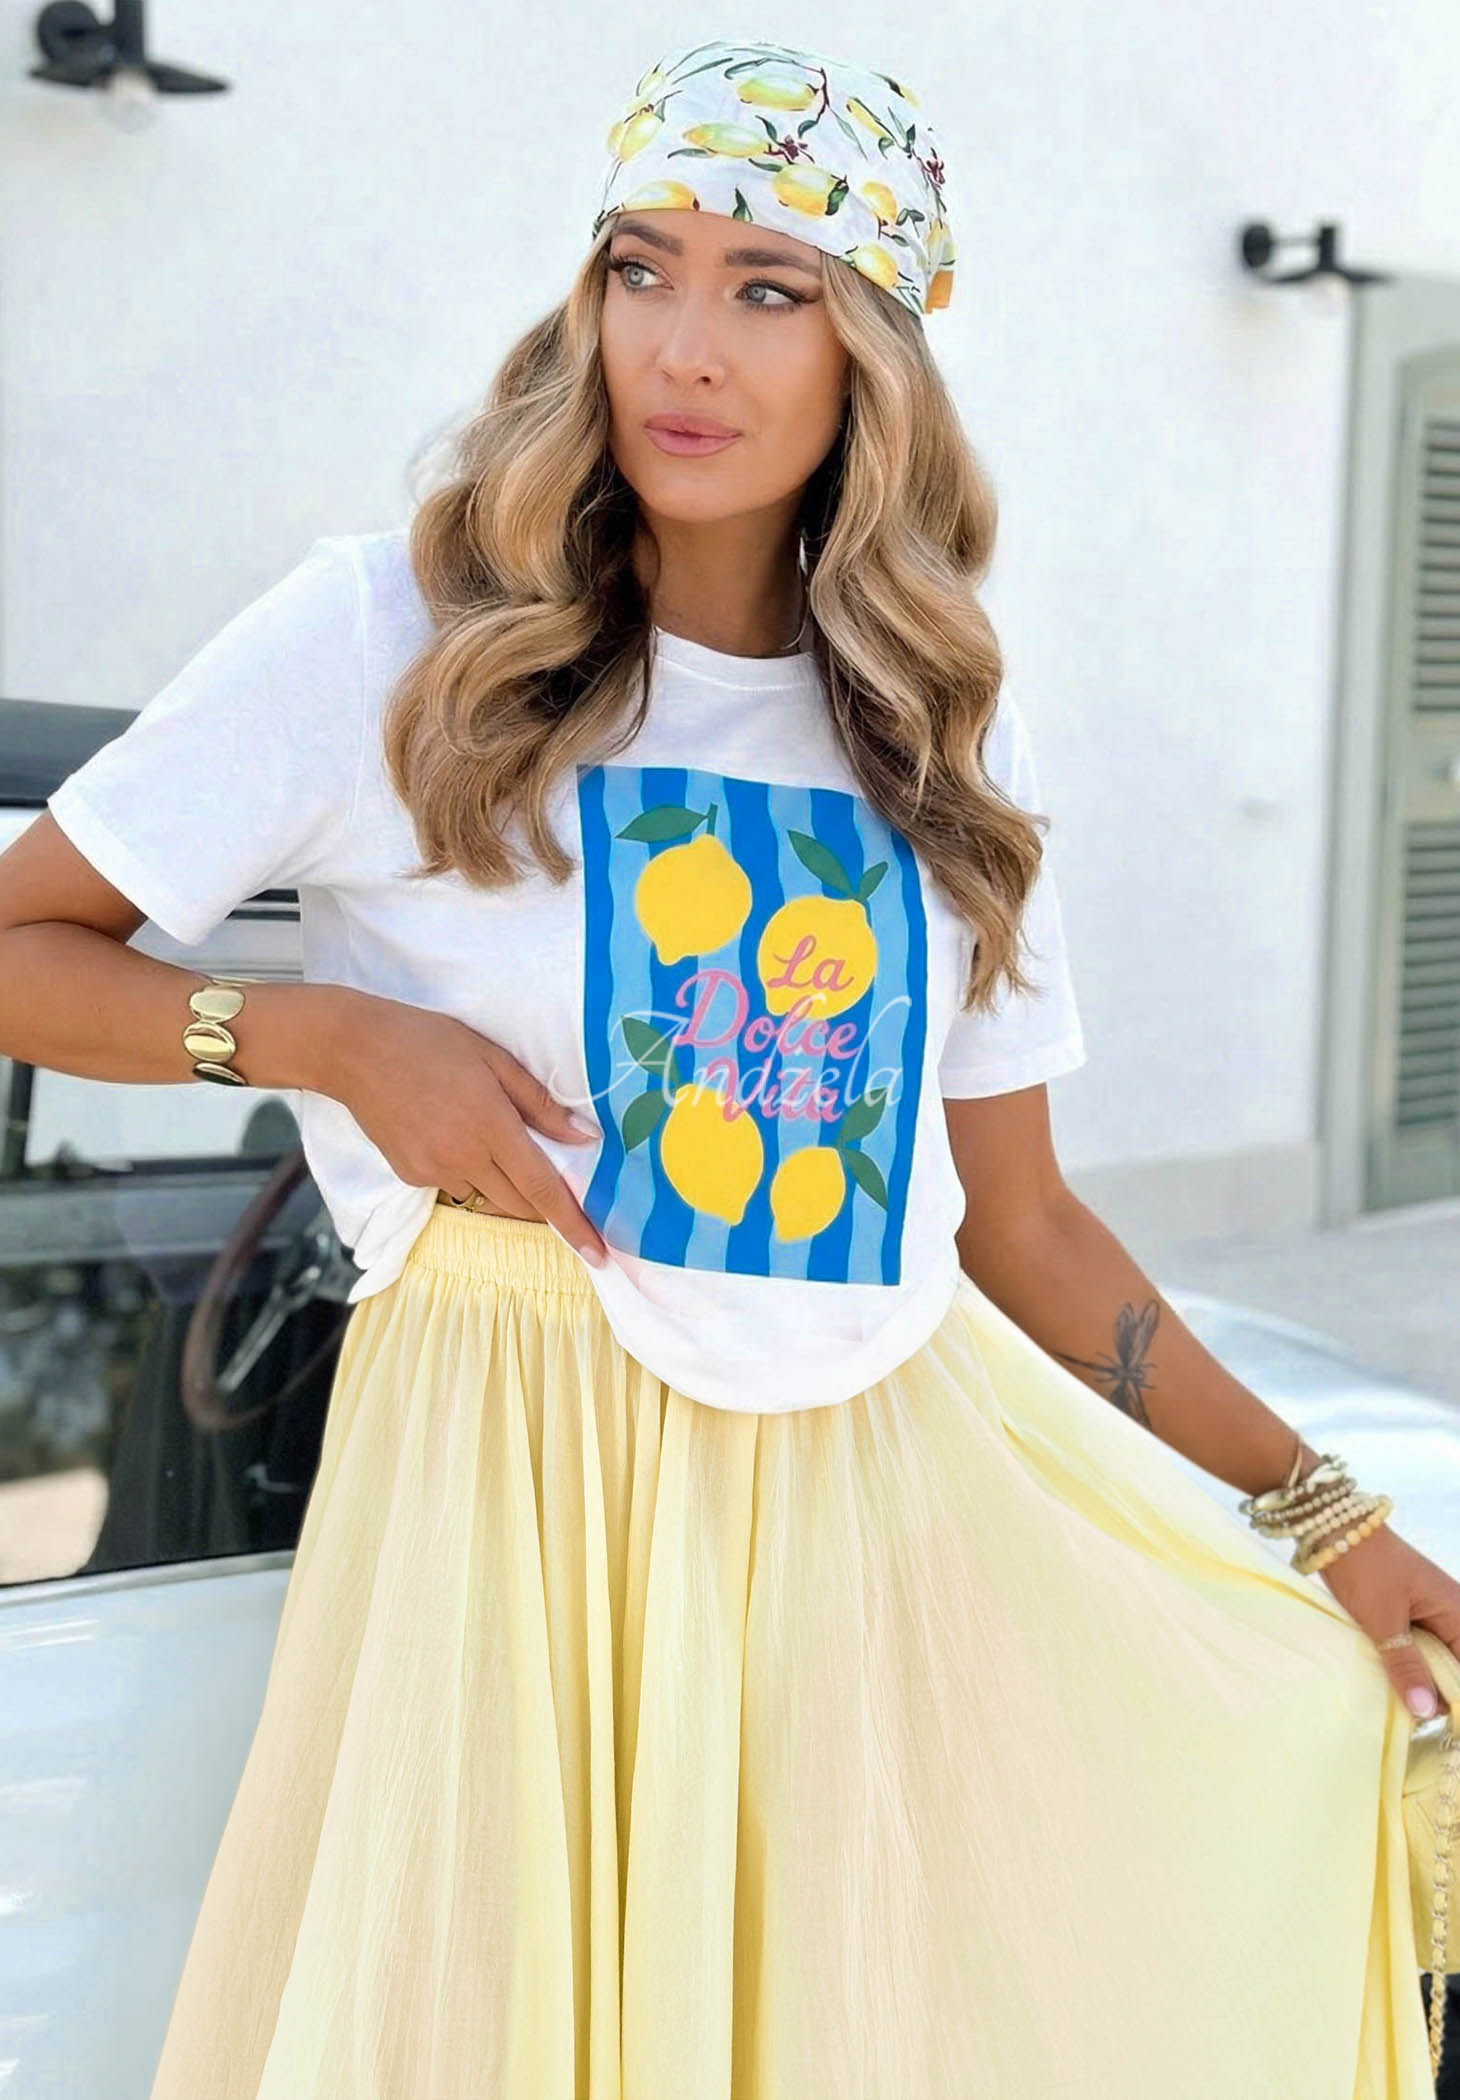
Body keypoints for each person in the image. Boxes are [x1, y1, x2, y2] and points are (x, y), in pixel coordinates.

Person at [4, 32, 1454, 2099]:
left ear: (877, 356)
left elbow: (1023, 1222)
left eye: (769, 289)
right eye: (641, 268)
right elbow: (23, 943)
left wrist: (1323, 1516)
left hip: (870, 1509)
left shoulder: (937, 724)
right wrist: (324, 1035)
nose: (683, 348)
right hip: (513, 1492)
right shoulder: (390, 634)